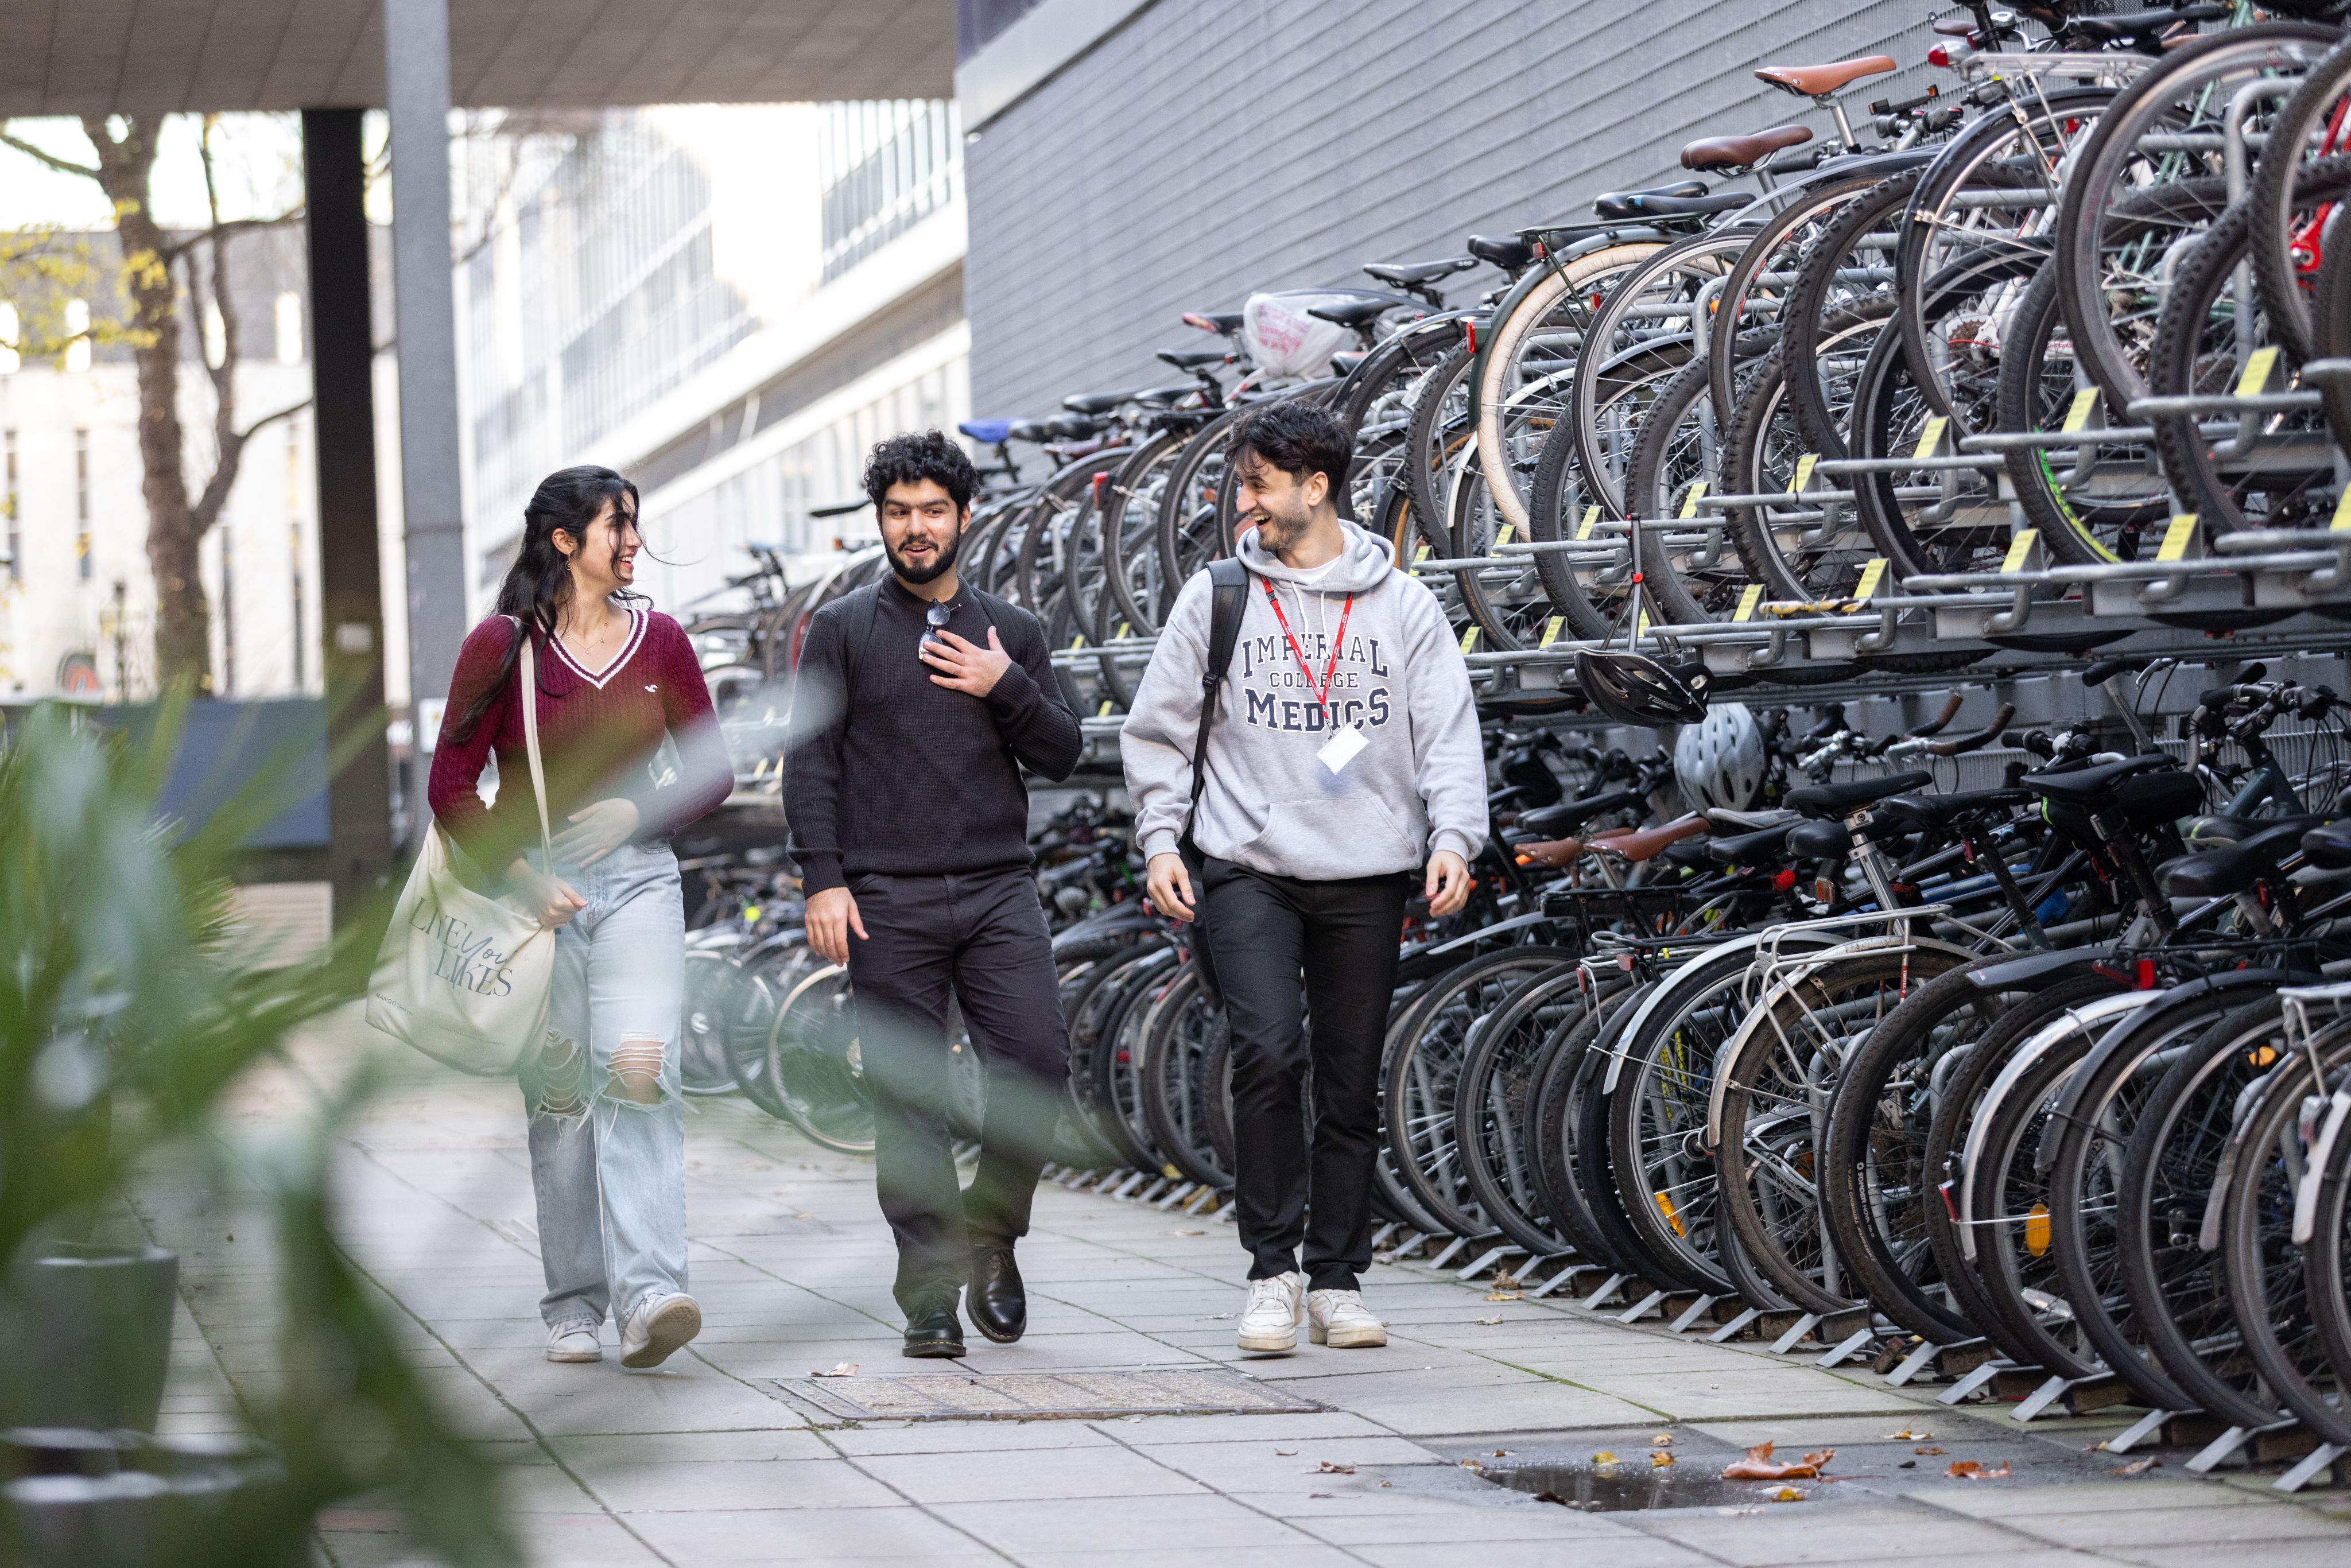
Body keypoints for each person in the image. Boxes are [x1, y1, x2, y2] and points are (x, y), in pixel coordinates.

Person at [1120, 400, 1486, 1354]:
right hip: (1248, 866)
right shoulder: (1220, 596)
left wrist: (1455, 836)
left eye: (1257, 484)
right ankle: (1272, 1271)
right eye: (1244, 484)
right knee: (1269, 1052)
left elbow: (1446, 733)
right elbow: (1157, 730)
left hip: (1368, 872)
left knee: (1350, 1081)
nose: (1245, 503)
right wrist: (1163, 841)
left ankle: (1337, 1277)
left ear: (1314, 487)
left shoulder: (1402, 606)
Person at [784, 429, 1084, 1359]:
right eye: (899, 512)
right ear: (881, 520)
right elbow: (812, 765)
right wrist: (823, 880)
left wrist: (1004, 684)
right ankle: (927, 1294)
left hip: (999, 890)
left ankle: (993, 1237)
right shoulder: (840, 630)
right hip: (884, 897)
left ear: (963, 516)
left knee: (1035, 1068)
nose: (916, 529)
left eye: (932, 511)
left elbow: (1064, 752)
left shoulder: (1014, 631)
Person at [429, 466, 733, 1371]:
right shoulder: (502, 647)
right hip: (542, 903)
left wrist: (638, 813)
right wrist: (521, 877)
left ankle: (652, 1296)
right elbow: (450, 786)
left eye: (634, 525)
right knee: (561, 1099)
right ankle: (573, 1304)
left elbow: (713, 768)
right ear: (566, 541)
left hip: (642, 884)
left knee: (640, 1074)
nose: (634, 541)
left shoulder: (663, 641)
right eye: (618, 526)